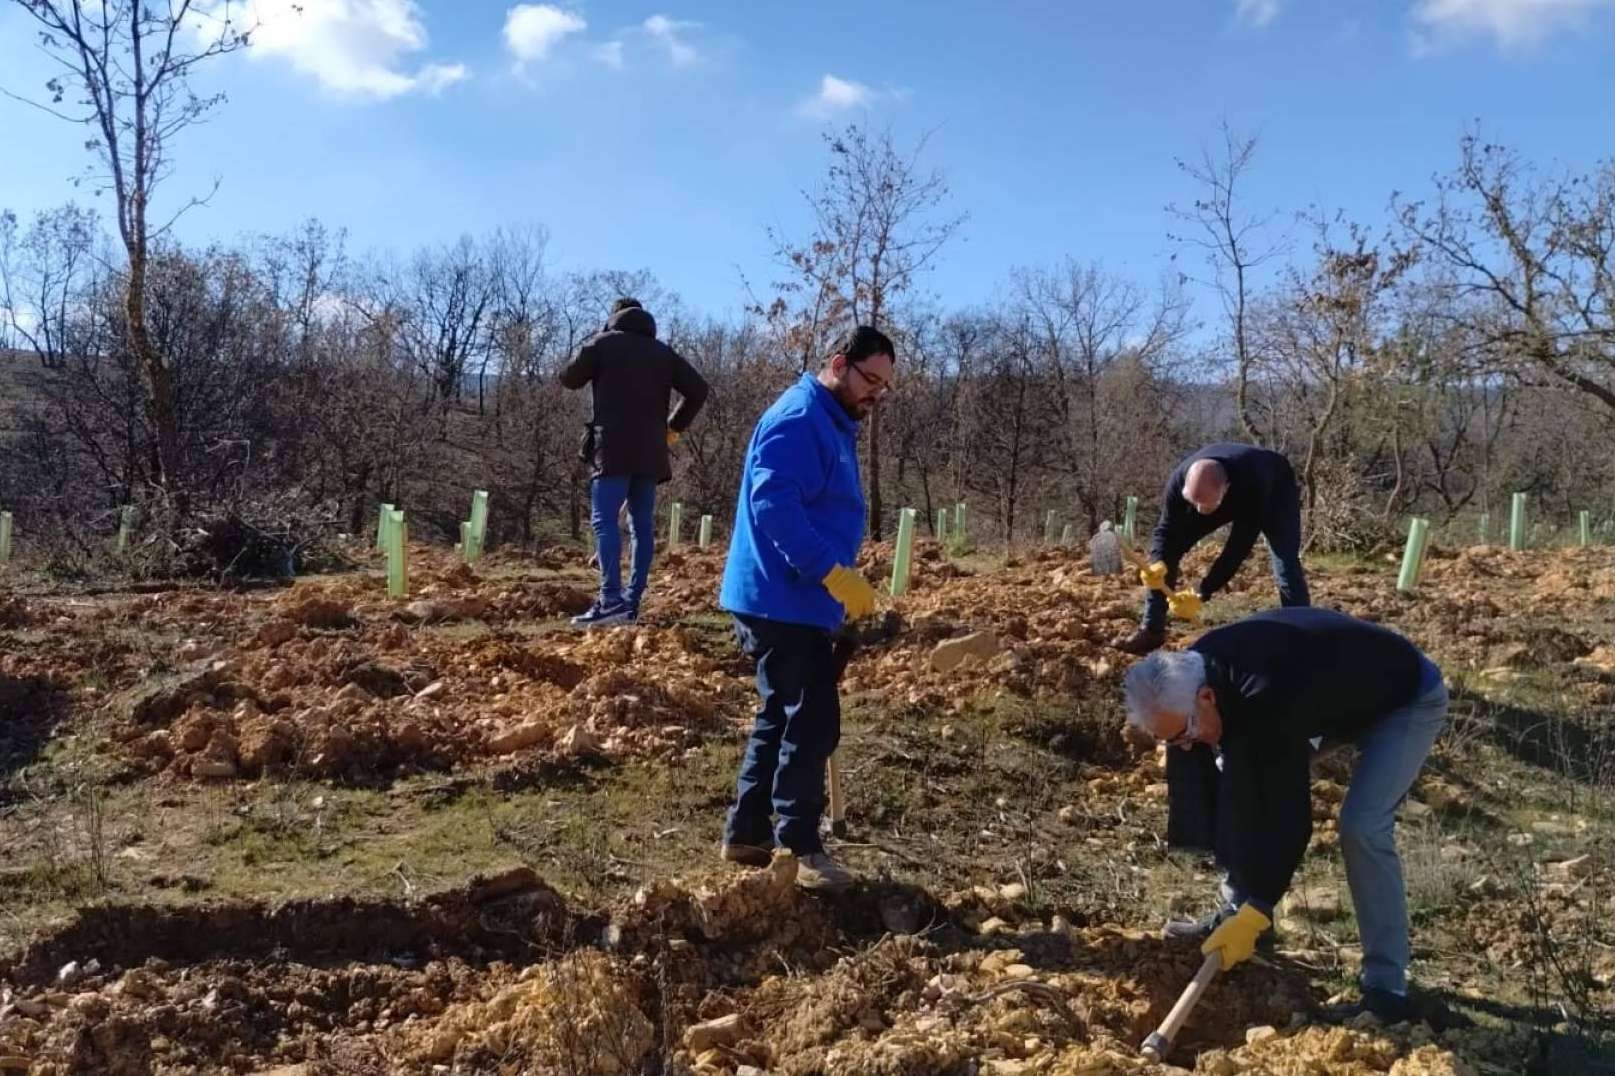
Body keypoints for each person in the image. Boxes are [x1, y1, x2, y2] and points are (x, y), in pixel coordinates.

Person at [1121, 606, 1449, 1022]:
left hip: (1403, 698)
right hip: (1325, 695)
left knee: (1362, 826)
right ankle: (1235, 912)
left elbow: (1288, 816)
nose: (1185, 746)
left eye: (1185, 734)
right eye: (1172, 741)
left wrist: (1260, 904)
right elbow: (1233, 791)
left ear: (1206, 697)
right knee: (1234, 774)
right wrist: (1245, 905)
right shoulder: (1189, 673)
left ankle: (1387, 987)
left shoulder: (1265, 696)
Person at [717, 325, 895, 891]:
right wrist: (833, 573)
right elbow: (773, 505)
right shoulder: (800, 419)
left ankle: (748, 833)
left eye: (884, 387)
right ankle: (799, 847)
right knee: (811, 719)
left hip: (799, 599)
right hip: (782, 596)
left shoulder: (832, 421)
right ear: (839, 363)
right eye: (870, 380)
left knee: (782, 713)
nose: (875, 394)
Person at [560, 298, 709, 627]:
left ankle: (609, 599)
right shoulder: (663, 353)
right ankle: (631, 603)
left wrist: (595, 340)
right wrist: (672, 429)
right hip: (651, 451)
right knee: (641, 524)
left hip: (612, 448)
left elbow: (568, 377)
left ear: (613, 318)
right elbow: (698, 390)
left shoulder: (604, 344)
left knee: (604, 520)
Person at [1114, 443, 1309, 655]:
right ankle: (1152, 630)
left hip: (1276, 491)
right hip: (1219, 494)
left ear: (1225, 488)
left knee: (1285, 563)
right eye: (1194, 503)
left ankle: (1301, 633)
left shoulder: (1253, 485)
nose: (1199, 511)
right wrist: (1158, 562)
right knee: (1169, 551)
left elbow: (1237, 548)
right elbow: (1165, 532)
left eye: (1204, 506)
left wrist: (1203, 590)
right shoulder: (1179, 482)